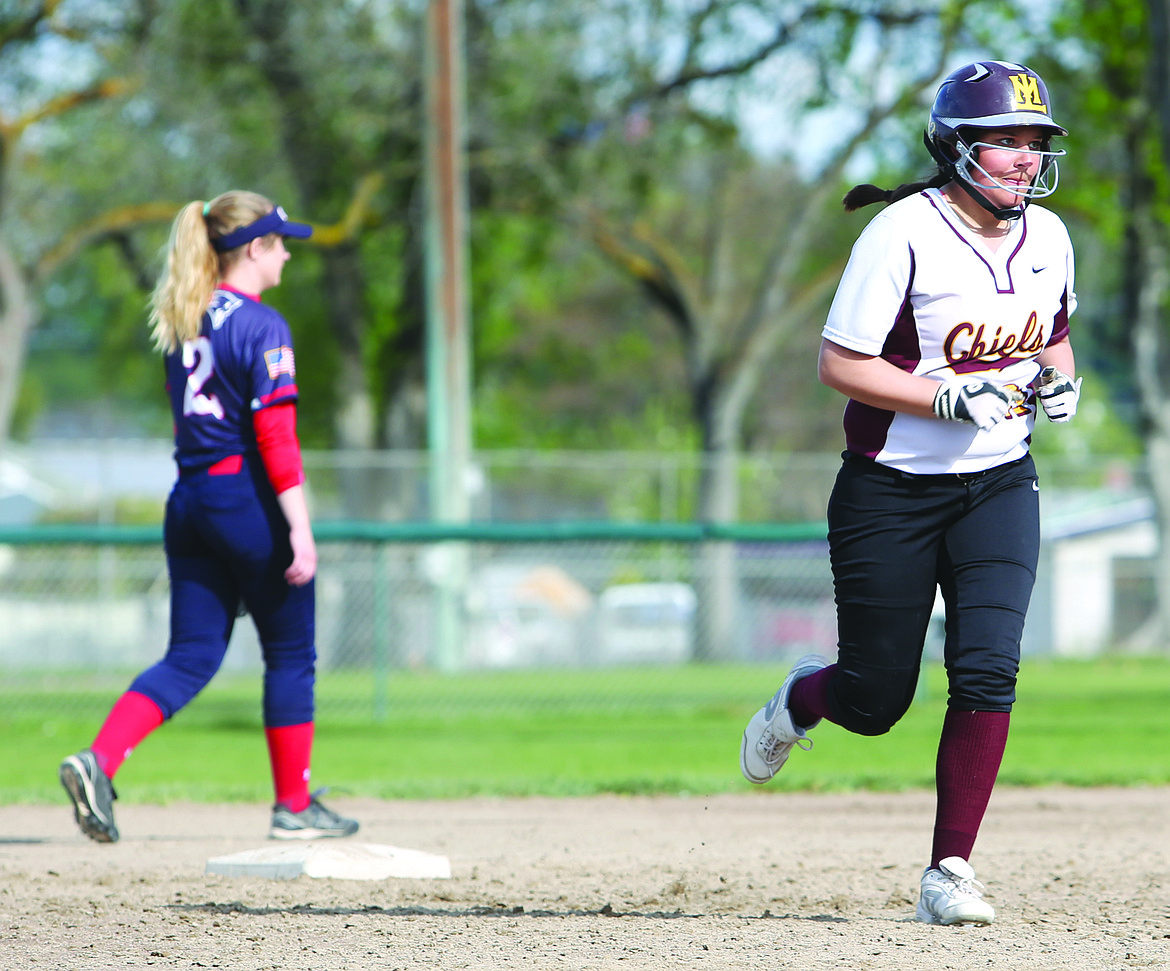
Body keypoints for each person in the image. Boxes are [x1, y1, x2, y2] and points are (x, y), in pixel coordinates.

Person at [740, 60, 1081, 925]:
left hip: (1001, 480)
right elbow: (839, 363)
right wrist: (940, 393)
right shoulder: (902, 233)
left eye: (1036, 142)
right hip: (890, 491)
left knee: (988, 666)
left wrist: (1061, 380)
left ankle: (949, 870)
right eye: (1007, 139)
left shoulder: (1050, 238)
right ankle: (799, 700)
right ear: (958, 147)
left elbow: (1055, 336)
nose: (1026, 158)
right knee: (875, 697)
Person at [59, 190, 358, 843]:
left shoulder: (186, 317)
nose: (285, 254)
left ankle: (99, 759)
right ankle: (293, 806)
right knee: (290, 653)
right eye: (278, 242)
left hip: (189, 501)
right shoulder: (262, 324)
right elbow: (277, 437)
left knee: (191, 654)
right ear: (252, 249)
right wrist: (300, 529)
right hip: (243, 502)